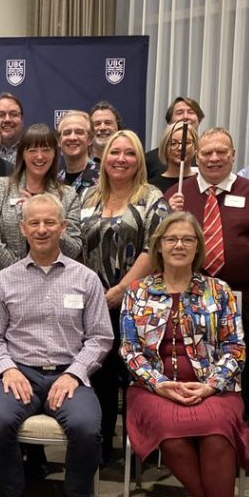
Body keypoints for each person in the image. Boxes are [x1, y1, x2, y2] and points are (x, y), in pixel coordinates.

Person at [120, 211, 249, 497]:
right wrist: (160, 384)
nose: (179, 245)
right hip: (154, 390)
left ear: (198, 246)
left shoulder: (218, 290)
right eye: (171, 239)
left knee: (217, 433)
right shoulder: (138, 292)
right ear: (159, 246)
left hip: (214, 388)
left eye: (187, 239)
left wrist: (211, 385)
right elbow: (130, 350)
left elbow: (236, 348)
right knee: (172, 436)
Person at [0, 193, 111, 497]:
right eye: (34, 223)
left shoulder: (86, 279)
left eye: (50, 222)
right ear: (23, 229)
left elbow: (100, 337)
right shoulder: (4, 280)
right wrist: (7, 370)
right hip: (19, 371)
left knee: (87, 428)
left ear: (63, 227)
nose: (42, 230)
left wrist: (74, 373)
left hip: (70, 373)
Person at [165, 128, 249, 432]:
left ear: (233, 155)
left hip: (246, 296)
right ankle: (197, 414)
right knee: (195, 355)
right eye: (207, 153)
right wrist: (168, 213)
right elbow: (161, 246)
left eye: (221, 152)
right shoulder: (179, 194)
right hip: (191, 296)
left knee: (248, 357)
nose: (214, 158)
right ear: (196, 156)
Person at [80, 130, 169, 461]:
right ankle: (100, 445)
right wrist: (93, 293)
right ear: (104, 159)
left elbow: (153, 248)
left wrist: (121, 290)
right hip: (92, 303)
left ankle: (141, 450)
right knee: (99, 375)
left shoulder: (152, 197)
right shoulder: (88, 197)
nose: (121, 159)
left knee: (134, 375)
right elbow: (75, 245)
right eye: (115, 152)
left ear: (139, 160)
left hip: (137, 302)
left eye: (129, 153)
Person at [0, 123, 82, 299]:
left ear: (55, 154)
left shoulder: (68, 195)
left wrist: (46, 216)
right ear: (22, 154)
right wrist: (21, 268)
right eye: (32, 150)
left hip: (53, 286)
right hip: (4, 285)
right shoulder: (0, 187)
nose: (39, 156)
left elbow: (74, 248)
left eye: (46, 150)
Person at [144, 96, 205, 179]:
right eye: (179, 113)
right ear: (169, 121)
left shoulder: (208, 156)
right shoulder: (150, 159)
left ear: (199, 120)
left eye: (191, 112)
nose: (186, 116)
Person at [149, 121, 198, 194]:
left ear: (195, 147)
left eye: (187, 143)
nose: (181, 148)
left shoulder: (203, 183)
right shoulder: (151, 187)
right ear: (165, 148)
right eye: (173, 143)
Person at [56, 111, 99, 192]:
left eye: (79, 132)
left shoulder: (104, 178)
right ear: (59, 141)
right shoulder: (54, 183)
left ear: (90, 139)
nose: (72, 137)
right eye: (67, 133)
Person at [0, 92, 25, 164]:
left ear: (22, 120)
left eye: (13, 114)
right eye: (1, 115)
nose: (7, 119)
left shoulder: (33, 150)